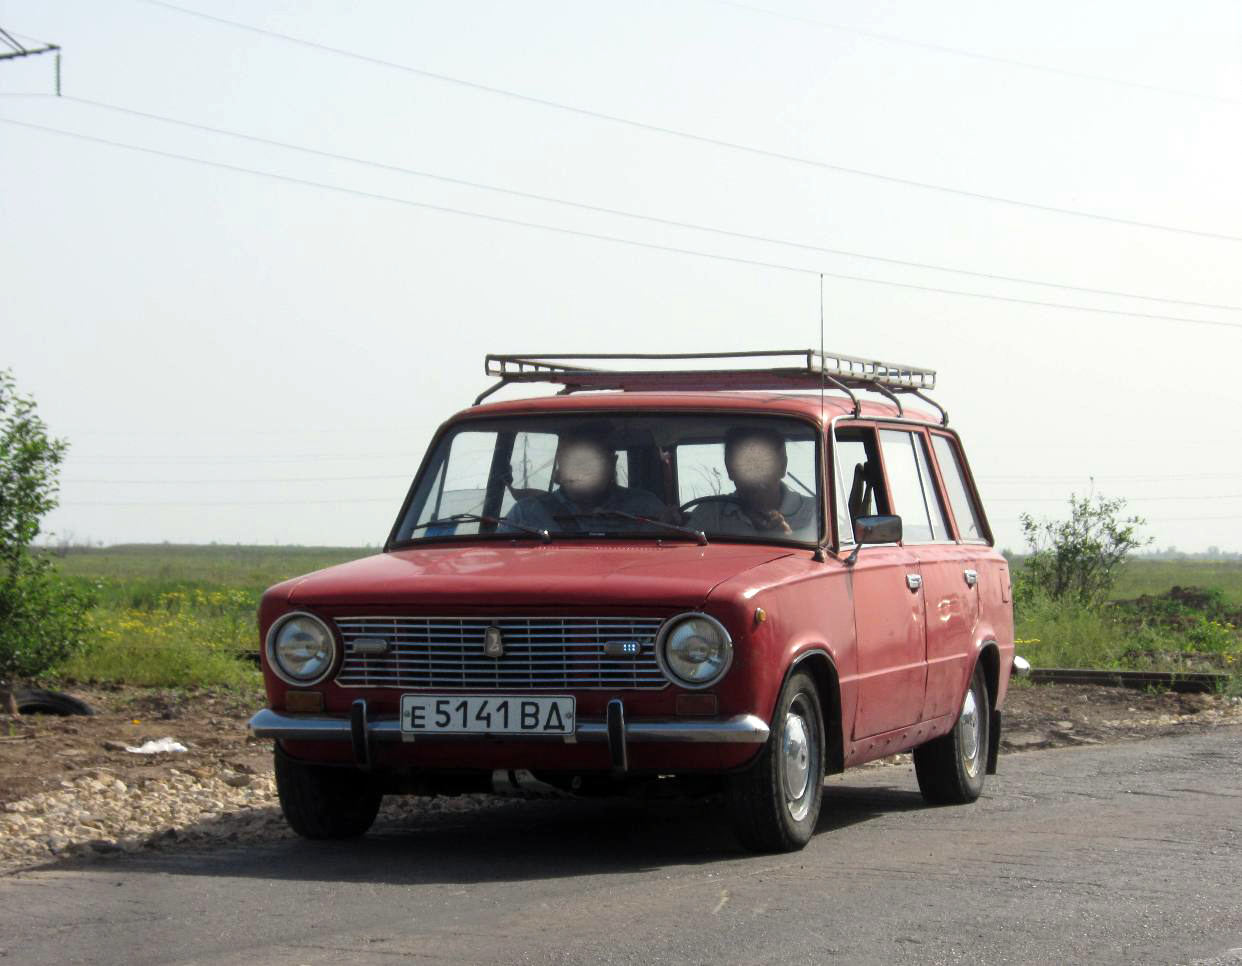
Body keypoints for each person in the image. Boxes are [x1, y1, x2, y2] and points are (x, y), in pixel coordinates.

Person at [502, 425, 667, 533]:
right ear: (560, 462)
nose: (582, 469)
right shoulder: (526, 515)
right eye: (574, 460)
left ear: (611, 463)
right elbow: (502, 564)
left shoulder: (646, 508)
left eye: (592, 460)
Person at [687, 426, 818, 541]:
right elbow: (682, 557)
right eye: (744, 463)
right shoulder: (710, 515)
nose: (754, 473)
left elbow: (825, 562)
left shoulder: (815, 513)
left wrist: (786, 539)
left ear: (782, 464)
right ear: (729, 468)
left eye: (763, 462)